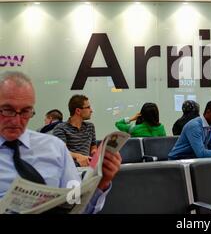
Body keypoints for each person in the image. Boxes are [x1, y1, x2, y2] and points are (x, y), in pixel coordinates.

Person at [0, 71, 121, 213]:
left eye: (26, 111)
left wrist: (102, 183)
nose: (16, 120)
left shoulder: (55, 148)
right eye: (7, 110)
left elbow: (77, 206)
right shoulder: (61, 131)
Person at [53, 95, 97, 167]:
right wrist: (78, 156)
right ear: (78, 111)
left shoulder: (90, 127)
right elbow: (62, 152)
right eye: (88, 107)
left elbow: (93, 146)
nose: (91, 110)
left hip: (87, 167)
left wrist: (94, 152)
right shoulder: (60, 128)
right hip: (70, 168)